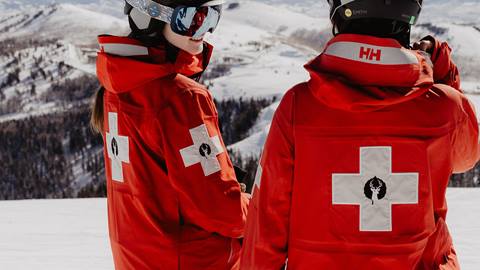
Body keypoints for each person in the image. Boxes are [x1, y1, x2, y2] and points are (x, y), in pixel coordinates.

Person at [240, 0, 479, 269]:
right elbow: (466, 157)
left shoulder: (298, 107)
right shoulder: (445, 107)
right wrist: (443, 77)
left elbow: (265, 226)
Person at [90, 0, 249, 269]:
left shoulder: (117, 88)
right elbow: (222, 210)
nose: (202, 30)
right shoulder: (181, 97)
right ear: (149, 18)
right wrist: (259, 206)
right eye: (190, 19)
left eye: (211, 18)